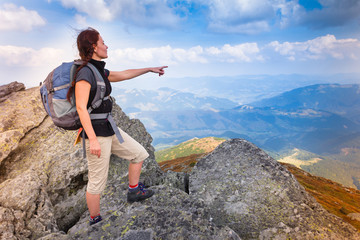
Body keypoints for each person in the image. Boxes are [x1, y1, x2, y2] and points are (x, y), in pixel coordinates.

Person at [68, 27, 167, 226]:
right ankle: (95, 221)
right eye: (103, 42)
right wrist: (93, 139)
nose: (106, 45)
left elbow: (124, 74)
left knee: (139, 153)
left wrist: (148, 69)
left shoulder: (98, 70)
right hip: (97, 134)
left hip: (110, 128)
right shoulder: (85, 74)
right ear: (94, 47)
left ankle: (133, 191)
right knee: (97, 182)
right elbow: (80, 106)